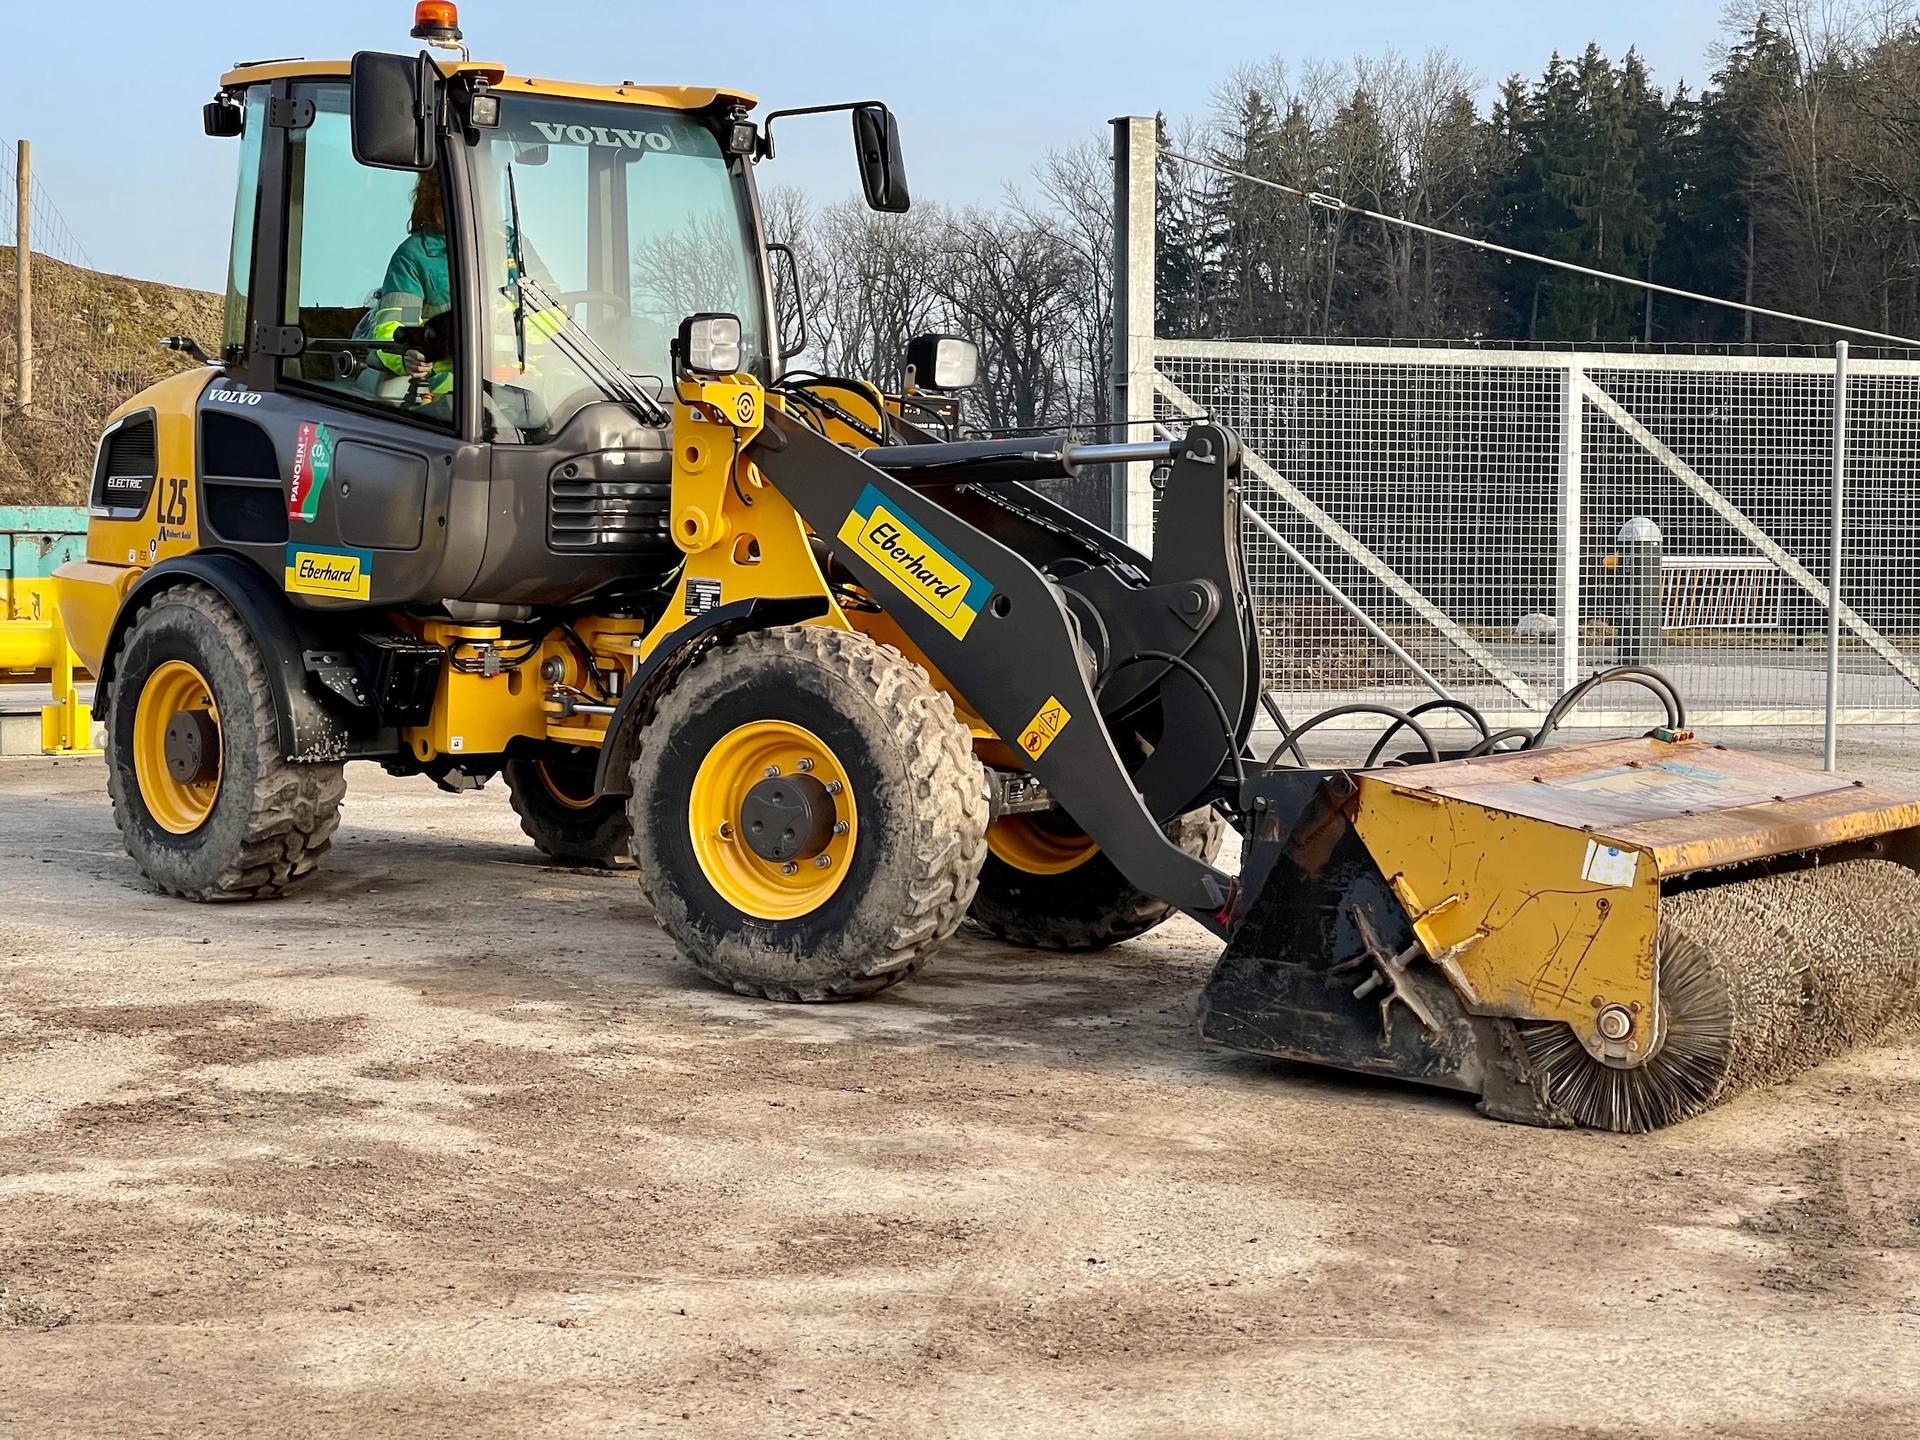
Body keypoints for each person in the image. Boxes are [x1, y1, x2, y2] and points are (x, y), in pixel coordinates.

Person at [367, 170, 454, 410]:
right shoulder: (413, 256)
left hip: (530, 388)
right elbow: (395, 328)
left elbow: (554, 317)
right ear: (438, 197)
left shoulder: (512, 248)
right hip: (451, 395)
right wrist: (407, 355)